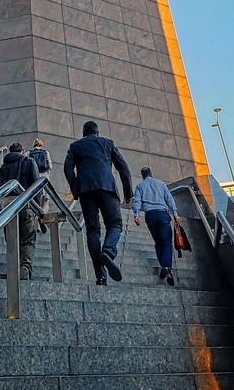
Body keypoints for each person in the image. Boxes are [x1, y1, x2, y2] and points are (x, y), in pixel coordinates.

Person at [63, 120, 132, 284]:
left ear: (83, 133)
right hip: (107, 187)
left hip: (86, 191)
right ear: (97, 132)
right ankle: (108, 250)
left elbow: (67, 168)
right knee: (115, 225)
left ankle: (100, 275)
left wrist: (76, 188)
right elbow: (123, 167)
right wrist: (128, 192)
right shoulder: (108, 143)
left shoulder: (75, 146)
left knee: (93, 231)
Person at [0, 142, 41, 280]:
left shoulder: (4, 167)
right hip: (26, 206)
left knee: (12, 239)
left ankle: (13, 268)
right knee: (28, 240)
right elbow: (36, 184)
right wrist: (37, 208)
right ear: (23, 150)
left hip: (8, 208)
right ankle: (25, 267)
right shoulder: (29, 162)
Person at [132, 166, 179, 286]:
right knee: (166, 242)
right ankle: (166, 267)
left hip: (150, 215)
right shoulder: (161, 183)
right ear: (151, 173)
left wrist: (136, 215)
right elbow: (169, 199)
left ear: (142, 176)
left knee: (158, 243)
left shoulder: (140, 186)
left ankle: (163, 267)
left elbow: (137, 201)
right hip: (162, 214)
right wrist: (175, 214)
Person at [29, 138, 52, 209]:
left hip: (34, 175)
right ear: (41, 144)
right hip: (44, 174)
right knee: (45, 196)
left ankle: (36, 212)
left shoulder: (29, 153)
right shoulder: (46, 152)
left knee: (36, 193)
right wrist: (48, 173)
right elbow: (50, 165)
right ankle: (44, 212)